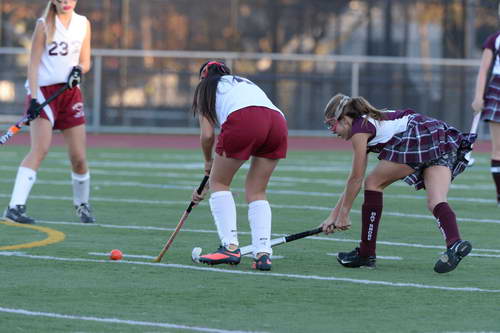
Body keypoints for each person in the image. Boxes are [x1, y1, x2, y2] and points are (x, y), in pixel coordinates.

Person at [320, 93, 475, 274]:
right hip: (438, 135)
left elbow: (356, 178)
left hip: (418, 135)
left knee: (372, 183)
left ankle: (366, 253)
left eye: (332, 124)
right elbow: (352, 182)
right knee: (436, 201)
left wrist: (344, 215)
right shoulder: (368, 122)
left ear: (345, 118)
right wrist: (334, 215)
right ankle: (455, 243)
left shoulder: (359, 128)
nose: (332, 131)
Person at [190, 61, 288, 271]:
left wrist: (208, 163)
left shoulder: (205, 88)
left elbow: (207, 135)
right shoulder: (243, 82)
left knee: (219, 183)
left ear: (203, 77)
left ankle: (230, 247)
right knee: (257, 191)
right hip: (277, 121)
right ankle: (262, 253)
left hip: (245, 119)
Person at [3, 0, 94, 224]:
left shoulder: (83, 23)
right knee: (40, 149)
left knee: (79, 158)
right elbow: (33, 64)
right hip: (43, 93)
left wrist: (78, 70)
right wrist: (33, 99)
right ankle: (15, 207)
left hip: (70, 94)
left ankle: (82, 205)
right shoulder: (44, 24)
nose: (66, 3)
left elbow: (85, 61)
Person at [471, 17, 500, 206]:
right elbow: (483, 70)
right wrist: (478, 97)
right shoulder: (494, 39)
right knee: (498, 150)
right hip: (498, 90)